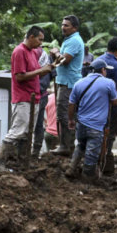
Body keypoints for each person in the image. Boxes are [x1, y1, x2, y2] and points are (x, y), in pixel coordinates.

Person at [0, 26, 54, 173]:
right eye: (39, 39)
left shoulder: (32, 52)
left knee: (27, 133)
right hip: (23, 98)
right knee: (17, 131)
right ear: (31, 37)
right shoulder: (19, 51)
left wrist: (46, 68)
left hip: (34, 98)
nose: (41, 43)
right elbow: (19, 76)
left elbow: (34, 72)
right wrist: (41, 71)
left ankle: (22, 163)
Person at [65, 58, 117, 180]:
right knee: (91, 154)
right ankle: (87, 178)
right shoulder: (109, 83)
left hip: (81, 123)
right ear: (103, 70)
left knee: (80, 146)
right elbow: (115, 102)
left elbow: (71, 103)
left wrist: (71, 120)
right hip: (96, 125)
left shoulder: (79, 83)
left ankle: (71, 168)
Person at [51, 15, 84, 156]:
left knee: (64, 115)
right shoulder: (70, 40)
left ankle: (67, 146)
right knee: (63, 115)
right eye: (62, 24)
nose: (63, 27)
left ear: (75, 28)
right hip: (64, 82)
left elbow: (64, 60)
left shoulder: (74, 41)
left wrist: (56, 52)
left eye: (66, 25)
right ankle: (66, 145)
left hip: (69, 83)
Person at [97, 38, 117, 174]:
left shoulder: (97, 61)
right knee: (110, 134)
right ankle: (105, 155)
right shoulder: (116, 66)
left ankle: (97, 157)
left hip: (95, 105)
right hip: (111, 106)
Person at [32, 46, 58, 157]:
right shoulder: (27, 56)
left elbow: (55, 77)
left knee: (38, 126)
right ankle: (31, 153)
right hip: (31, 95)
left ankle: (35, 153)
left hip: (41, 94)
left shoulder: (47, 59)